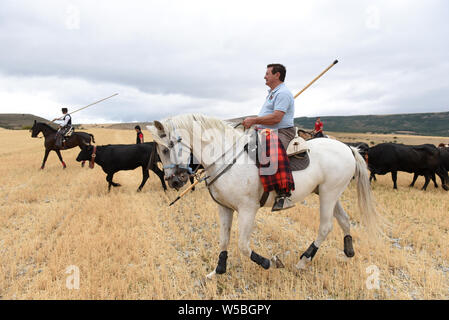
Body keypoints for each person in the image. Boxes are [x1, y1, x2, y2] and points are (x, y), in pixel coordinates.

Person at [242, 63, 295, 211]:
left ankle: (284, 195)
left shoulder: (283, 93)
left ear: (277, 75)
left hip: (282, 131)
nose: (264, 76)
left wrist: (254, 120)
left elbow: (277, 118)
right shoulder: (273, 93)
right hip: (266, 130)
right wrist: (255, 122)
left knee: (270, 147)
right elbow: (268, 116)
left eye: (267, 73)